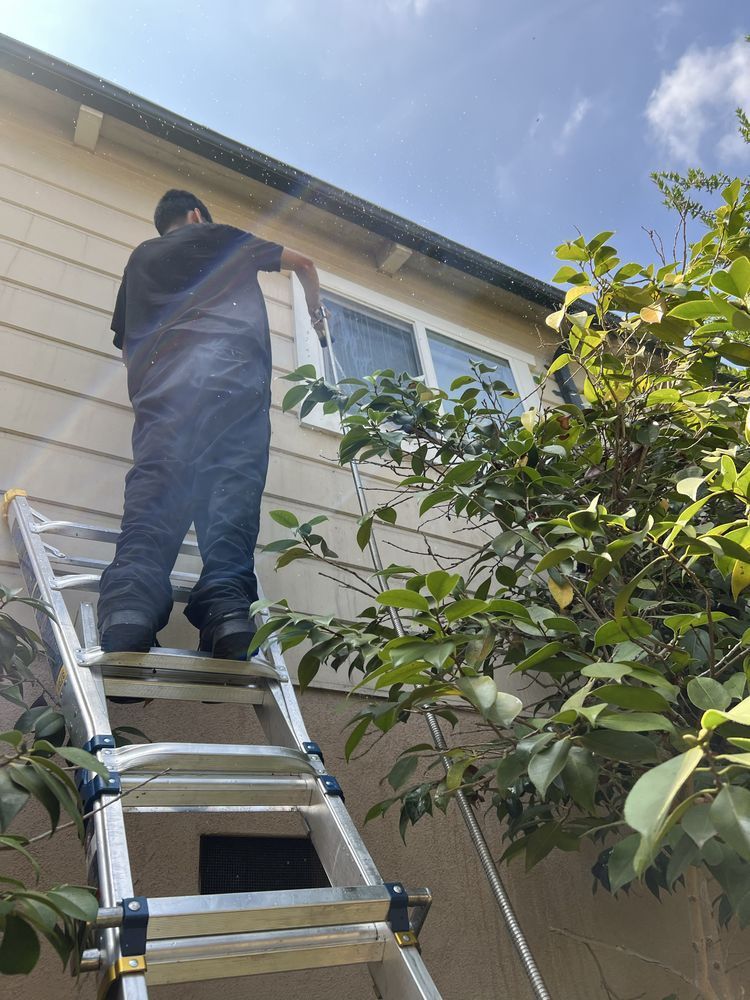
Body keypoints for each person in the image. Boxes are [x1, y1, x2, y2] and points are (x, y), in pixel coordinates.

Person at [97, 189, 325, 660]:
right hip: (233, 378)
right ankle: (227, 612)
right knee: (231, 488)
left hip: (165, 384)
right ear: (198, 214)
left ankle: (129, 608)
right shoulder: (219, 236)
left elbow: (126, 345)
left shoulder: (140, 258)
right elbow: (304, 264)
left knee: (158, 485)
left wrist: (150, 392)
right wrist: (318, 318)